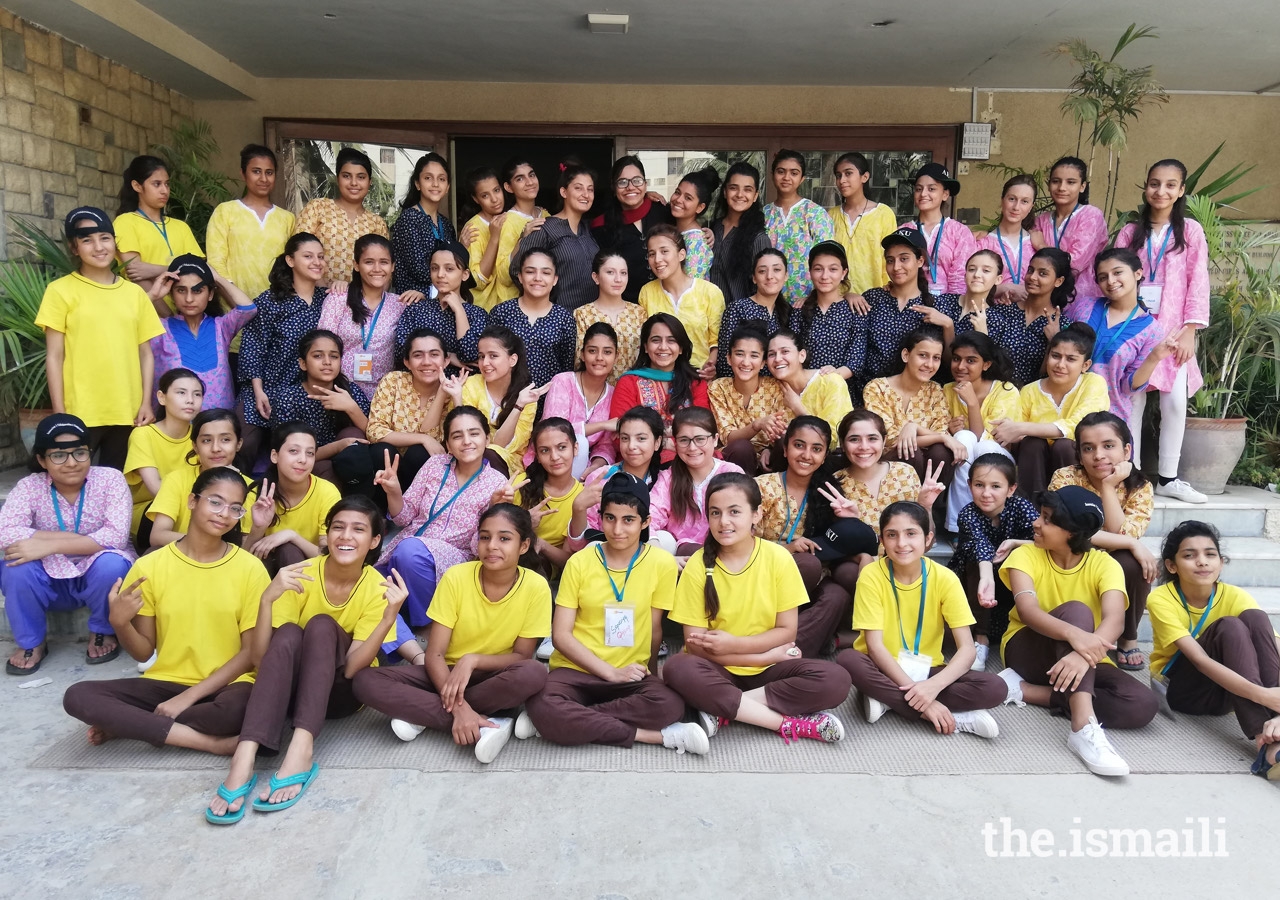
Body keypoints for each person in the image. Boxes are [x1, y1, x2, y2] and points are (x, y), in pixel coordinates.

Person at [205, 497, 407, 820]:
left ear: (374, 540)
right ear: (327, 534)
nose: (346, 536)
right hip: (290, 690)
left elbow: (354, 667)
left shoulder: (376, 587)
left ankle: (301, 749)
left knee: (322, 625)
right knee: (286, 634)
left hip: (338, 695)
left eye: (358, 529)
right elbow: (261, 659)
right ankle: (243, 758)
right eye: (338, 527)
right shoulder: (299, 574)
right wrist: (268, 599)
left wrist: (387, 619)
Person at [62, 467, 270, 756]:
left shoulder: (250, 568)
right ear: (192, 501)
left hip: (228, 686)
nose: (224, 513)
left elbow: (249, 654)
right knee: (78, 696)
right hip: (165, 683)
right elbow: (145, 653)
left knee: (236, 713)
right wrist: (119, 623)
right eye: (215, 501)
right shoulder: (150, 567)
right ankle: (211, 743)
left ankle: (131, 723)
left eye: (235, 508)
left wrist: (187, 698)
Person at [523, 474, 707, 753]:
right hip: (577, 670)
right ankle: (653, 736)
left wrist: (651, 674)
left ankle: (571, 718)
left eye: (628, 520)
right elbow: (560, 636)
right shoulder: (581, 562)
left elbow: (655, 628)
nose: (618, 529)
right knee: (542, 702)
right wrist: (609, 672)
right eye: (610, 518)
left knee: (670, 704)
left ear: (645, 522)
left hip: (629, 675)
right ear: (601, 518)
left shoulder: (661, 564)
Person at [661, 473, 852, 743]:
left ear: (756, 514)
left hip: (769, 668)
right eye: (715, 513)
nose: (724, 521)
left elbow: (787, 632)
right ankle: (786, 723)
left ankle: (725, 710)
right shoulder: (697, 565)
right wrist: (756, 657)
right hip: (719, 667)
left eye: (734, 512)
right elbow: (695, 645)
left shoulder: (778, 558)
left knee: (836, 679)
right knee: (677, 668)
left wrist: (738, 646)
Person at [353, 504, 548, 763]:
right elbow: (434, 654)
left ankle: (424, 713)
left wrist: (473, 660)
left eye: (504, 538)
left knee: (533, 673)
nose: (492, 546)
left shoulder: (536, 587)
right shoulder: (457, 577)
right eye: (484, 537)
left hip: (494, 676)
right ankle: (485, 721)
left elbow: (522, 656)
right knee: (365, 681)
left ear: (523, 546)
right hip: (445, 675)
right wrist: (458, 707)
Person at [998, 486, 1159, 776]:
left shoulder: (1104, 564)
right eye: (1041, 515)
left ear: (1071, 532)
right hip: (1028, 649)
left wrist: (1083, 656)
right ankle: (1083, 727)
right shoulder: (1026, 556)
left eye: (1047, 519)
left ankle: (1026, 691)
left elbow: (1115, 621)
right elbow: (1028, 612)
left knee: (1142, 705)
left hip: (1083, 653)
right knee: (1077, 612)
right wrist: (1077, 638)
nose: (1036, 523)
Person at [838, 501, 1006, 737]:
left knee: (995, 688)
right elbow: (875, 648)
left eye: (911, 533)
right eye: (892, 535)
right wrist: (927, 702)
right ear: (882, 540)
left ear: (928, 538)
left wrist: (932, 687)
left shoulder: (945, 578)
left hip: (926, 668)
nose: (901, 543)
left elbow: (967, 650)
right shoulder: (871, 575)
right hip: (882, 666)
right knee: (848, 660)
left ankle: (888, 701)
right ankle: (947, 714)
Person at [0, 414, 134, 674]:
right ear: (42, 459)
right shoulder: (29, 487)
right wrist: (74, 544)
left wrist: (47, 545)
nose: (71, 463)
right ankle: (32, 642)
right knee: (15, 565)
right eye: (59, 455)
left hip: (96, 575)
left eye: (79, 453)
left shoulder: (110, 480)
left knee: (112, 562)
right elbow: (4, 532)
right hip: (48, 579)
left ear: (89, 453)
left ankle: (103, 631)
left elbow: (116, 536)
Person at [1148, 521, 1280, 774]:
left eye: (1210, 554)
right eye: (1190, 555)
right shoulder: (1161, 598)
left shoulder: (1234, 595)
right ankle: (1265, 742)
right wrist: (1263, 695)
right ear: (1171, 566)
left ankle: (1275, 722)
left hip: (1228, 694)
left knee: (1255, 618)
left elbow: (1273, 648)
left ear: (1221, 562)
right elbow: (1199, 660)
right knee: (1230, 626)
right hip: (1182, 691)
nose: (1202, 561)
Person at [38, 207, 164, 470]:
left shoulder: (135, 294)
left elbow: (146, 353)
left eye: (105, 238)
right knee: (69, 482)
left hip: (127, 412)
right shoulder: (60, 291)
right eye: (87, 240)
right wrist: (60, 412)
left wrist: (145, 403)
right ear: (74, 248)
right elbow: (54, 355)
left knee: (115, 484)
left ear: (114, 243)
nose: (98, 247)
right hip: (80, 410)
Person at [1117, 159, 1212, 504]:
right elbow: (1116, 275)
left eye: (1170, 185)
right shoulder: (1130, 232)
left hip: (1174, 330)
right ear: (1146, 186)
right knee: (1133, 400)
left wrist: (1190, 330)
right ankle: (1134, 474)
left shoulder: (1190, 231)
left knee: (1174, 403)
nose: (1161, 191)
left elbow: (1198, 281)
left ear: (1182, 190)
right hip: (1135, 328)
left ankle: (1169, 478)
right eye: (1155, 184)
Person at [376, 405, 512, 628]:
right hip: (407, 548)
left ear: (487, 439)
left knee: (410, 553)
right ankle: (404, 632)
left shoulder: (497, 483)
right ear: (448, 445)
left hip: (457, 557)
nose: (466, 441)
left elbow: (481, 548)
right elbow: (403, 518)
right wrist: (393, 490)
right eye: (457, 436)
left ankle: (426, 625)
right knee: (369, 590)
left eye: (474, 433)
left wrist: (494, 508)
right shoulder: (434, 465)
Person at [1049, 411, 1157, 671]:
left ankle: (1128, 637)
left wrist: (1108, 487)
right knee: (1132, 551)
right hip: (1072, 555)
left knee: (1134, 564)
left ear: (1127, 450)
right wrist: (1131, 543)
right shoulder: (1066, 478)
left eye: (1108, 446)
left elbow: (1126, 534)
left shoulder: (1139, 486)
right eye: (1089, 448)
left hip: (1110, 561)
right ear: (1079, 454)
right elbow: (1066, 530)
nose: (1098, 455)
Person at [754, 416, 859, 658]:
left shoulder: (830, 492)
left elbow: (841, 543)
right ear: (785, 447)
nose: (806, 455)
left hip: (808, 587)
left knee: (836, 595)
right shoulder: (761, 486)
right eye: (799, 445)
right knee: (806, 563)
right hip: (763, 579)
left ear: (825, 455)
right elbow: (742, 543)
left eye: (817, 449)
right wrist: (788, 548)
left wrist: (849, 520)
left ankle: (787, 653)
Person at [235, 233, 326, 469]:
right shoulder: (270, 301)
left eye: (321, 257)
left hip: (303, 396)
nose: (317, 262)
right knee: (244, 445)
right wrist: (258, 391)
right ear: (290, 260)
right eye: (308, 256)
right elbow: (253, 346)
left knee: (296, 456)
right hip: (264, 388)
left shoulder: (328, 300)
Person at [826, 409, 943, 589]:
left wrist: (925, 506)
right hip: (865, 572)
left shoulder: (904, 473)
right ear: (843, 443)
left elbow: (926, 545)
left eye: (872, 438)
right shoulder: (836, 484)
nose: (864, 446)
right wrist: (862, 554)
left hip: (905, 562)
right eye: (854, 439)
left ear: (884, 440)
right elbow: (832, 544)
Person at [990, 323, 1109, 499]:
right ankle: (1031, 511)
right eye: (1055, 356)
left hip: (1077, 460)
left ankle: (1069, 508)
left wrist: (1023, 428)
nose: (1060, 364)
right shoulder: (1029, 391)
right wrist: (1018, 431)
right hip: (1035, 464)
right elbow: (1011, 433)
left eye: (1070, 359)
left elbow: (1081, 427)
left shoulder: (1093, 383)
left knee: (1064, 445)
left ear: (1085, 365)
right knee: (1032, 443)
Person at [334, 328, 450, 507]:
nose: (427, 362)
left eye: (434, 354)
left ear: (446, 360)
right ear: (407, 362)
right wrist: (422, 438)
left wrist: (442, 393)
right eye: (418, 355)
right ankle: (380, 513)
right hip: (388, 467)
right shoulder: (394, 381)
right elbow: (374, 431)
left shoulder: (454, 390)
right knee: (382, 450)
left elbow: (438, 444)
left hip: (426, 474)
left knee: (420, 453)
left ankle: (415, 511)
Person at [1067, 248, 1174, 441]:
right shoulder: (1084, 306)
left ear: (1138, 273)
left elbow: (1128, 386)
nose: (1110, 281)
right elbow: (1062, 350)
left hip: (1108, 417)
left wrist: (1154, 358)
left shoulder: (1151, 330)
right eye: (1102, 277)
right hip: (1066, 405)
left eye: (1117, 272)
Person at [948, 453, 1037, 669]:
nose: (986, 493)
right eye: (979, 485)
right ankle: (981, 639)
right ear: (969, 485)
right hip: (976, 584)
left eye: (996, 486)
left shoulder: (1022, 508)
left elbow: (1047, 541)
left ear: (1011, 488)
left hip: (1011, 585)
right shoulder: (968, 513)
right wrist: (987, 577)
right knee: (976, 560)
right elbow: (981, 545)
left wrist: (1016, 543)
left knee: (1023, 557)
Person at [147, 255, 257, 411]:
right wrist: (153, 295)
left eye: (197, 290)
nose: (189, 298)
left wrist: (218, 278)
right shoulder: (159, 329)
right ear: (171, 293)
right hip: (175, 429)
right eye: (181, 290)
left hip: (219, 428)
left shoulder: (221, 327)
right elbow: (123, 323)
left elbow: (248, 309)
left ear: (210, 294)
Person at [863, 326, 967, 484]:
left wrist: (914, 429)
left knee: (941, 452)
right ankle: (907, 507)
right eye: (923, 355)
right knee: (911, 452)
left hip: (928, 465)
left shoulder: (935, 391)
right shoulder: (877, 388)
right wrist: (939, 436)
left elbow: (940, 432)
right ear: (906, 355)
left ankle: (933, 505)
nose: (929, 364)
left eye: (936, 358)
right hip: (888, 464)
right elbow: (890, 441)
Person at [267, 329, 371, 482]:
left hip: (348, 463)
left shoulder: (349, 391)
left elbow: (375, 436)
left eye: (334, 356)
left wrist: (351, 407)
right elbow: (287, 453)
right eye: (318, 356)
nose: (327, 362)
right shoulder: (288, 397)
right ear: (303, 363)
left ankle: (359, 502)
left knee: (352, 433)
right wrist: (337, 447)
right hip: (303, 464)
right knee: (326, 468)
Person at [943, 332, 1021, 531]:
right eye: (956, 359)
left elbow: (987, 441)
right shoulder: (946, 390)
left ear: (986, 364)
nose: (961, 366)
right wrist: (948, 430)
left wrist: (971, 403)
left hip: (996, 459)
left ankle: (988, 521)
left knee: (981, 444)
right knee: (962, 437)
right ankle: (959, 527)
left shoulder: (1006, 391)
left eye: (971, 360)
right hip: (962, 460)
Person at [608, 314, 710, 463]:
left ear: (680, 348)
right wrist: (664, 443)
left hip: (692, 457)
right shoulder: (629, 382)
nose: (663, 347)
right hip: (643, 462)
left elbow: (704, 429)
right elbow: (620, 437)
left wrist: (671, 444)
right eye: (656, 340)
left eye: (671, 340)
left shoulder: (695, 383)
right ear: (645, 347)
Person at [859, 229, 956, 385]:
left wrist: (948, 325)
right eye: (890, 260)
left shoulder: (936, 305)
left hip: (918, 396)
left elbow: (948, 363)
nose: (896, 267)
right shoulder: (872, 298)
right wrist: (849, 295)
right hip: (871, 390)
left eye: (904, 259)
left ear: (920, 261)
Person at [147, 408, 255, 548]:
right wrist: (207, 544)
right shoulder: (176, 479)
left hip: (225, 563)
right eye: (206, 440)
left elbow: (245, 546)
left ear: (238, 444)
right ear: (195, 446)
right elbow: (158, 536)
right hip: (181, 556)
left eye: (226, 439)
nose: (216, 448)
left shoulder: (250, 488)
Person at [565, 406, 665, 553]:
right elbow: (578, 546)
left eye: (641, 438)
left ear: (657, 442)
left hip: (649, 555)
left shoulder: (665, 479)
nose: (631, 446)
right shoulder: (602, 477)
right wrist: (578, 508)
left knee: (666, 538)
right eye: (625, 438)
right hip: (608, 555)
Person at [648, 407, 744, 558]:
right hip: (685, 556)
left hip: (728, 550)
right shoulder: (669, 478)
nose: (692, 448)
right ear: (675, 443)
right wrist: (664, 558)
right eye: (684, 440)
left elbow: (744, 518)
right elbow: (649, 516)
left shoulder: (731, 473)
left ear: (715, 439)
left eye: (700, 439)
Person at [446, 325, 541, 475]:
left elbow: (505, 446)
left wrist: (519, 406)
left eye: (493, 356)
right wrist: (457, 399)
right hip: (468, 457)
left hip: (507, 463)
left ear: (512, 360)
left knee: (490, 454)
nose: (484, 363)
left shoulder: (526, 395)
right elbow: (460, 434)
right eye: (482, 356)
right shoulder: (471, 385)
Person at [246, 423, 342, 573]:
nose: (303, 459)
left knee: (288, 550)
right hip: (265, 574)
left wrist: (291, 536)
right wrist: (258, 529)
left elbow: (330, 557)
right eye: (293, 451)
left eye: (310, 453)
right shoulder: (258, 494)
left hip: (312, 575)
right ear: (274, 456)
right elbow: (242, 559)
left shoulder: (327, 492)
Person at [316, 233, 410, 387]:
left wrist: (420, 297)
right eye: (369, 262)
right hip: (342, 389)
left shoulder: (400, 304)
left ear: (393, 266)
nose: (377, 269)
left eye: (384, 262)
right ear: (356, 265)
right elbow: (322, 345)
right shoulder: (339, 298)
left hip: (385, 394)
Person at [205, 144, 295, 301]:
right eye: (256, 172)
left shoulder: (287, 218)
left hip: (278, 308)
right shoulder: (225, 212)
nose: (263, 179)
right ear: (243, 174)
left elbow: (294, 264)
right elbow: (215, 263)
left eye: (269, 172)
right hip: (235, 308)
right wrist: (239, 305)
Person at [124, 368, 203, 544]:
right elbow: (156, 489)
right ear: (161, 397)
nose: (190, 400)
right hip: (151, 510)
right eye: (181, 393)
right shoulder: (143, 435)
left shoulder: (201, 438)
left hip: (193, 509)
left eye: (197, 394)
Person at [638, 224, 726, 378]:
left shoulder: (710, 292)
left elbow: (717, 341)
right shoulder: (647, 292)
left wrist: (711, 365)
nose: (657, 259)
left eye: (664, 251)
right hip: (659, 377)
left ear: (681, 254)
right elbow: (645, 338)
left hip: (698, 377)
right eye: (652, 254)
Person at [532, 323, 618, 477]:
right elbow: (553, 430)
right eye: (592, 351)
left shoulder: (613, 394)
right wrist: (602, 425)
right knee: (581, 443)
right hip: (548, 461)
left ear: (616, 357)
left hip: (585, 469)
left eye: (607, 352)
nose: (599, 358)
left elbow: (606, 445)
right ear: (582, 354)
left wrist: (595, 467)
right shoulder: (563, 381)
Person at [295, 147, 389, 285]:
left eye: (361, 177)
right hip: (316, 297)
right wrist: (324, 293)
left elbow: (383, 269)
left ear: (370, 182)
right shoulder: (317, 208)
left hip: (361, 302)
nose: (354, 183)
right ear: (337, 179)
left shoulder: (377, 223)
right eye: (346, 176)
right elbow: (298, 253)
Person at [113, 155, 204, 295]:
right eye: (157, 184)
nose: (165, 190)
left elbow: (199, 270)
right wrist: (169, 316)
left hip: (189, 309)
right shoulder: (125, 222)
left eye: (167, 184)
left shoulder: (181, 227)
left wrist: (158, 270)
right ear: (137, 186)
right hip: (149, 310)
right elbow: (137, 275)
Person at [987, 247, 1075, 388]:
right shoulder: (1003, 311)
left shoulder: (1063, 325)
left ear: (1058, 281)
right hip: (996, 398)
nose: (1032, 277)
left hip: (1033, 401)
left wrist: (1054, 341)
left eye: (1043, 273)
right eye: (1030, 270)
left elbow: (1051, 377)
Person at [489, 249, 578, 387]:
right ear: (520, 276)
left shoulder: (564, 319)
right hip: (506, 397)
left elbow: (566, 369)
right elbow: (489, 356)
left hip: (550, 399)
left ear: (555, 279)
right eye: (530, 271)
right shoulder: (501, 313)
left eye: (546, 273)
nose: (538, 278)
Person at [591, 156, 674, 302]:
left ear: (645, 184)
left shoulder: (663, 212)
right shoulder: (602, 226)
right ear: (613, 187)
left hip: (667, 301)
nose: (630, 187)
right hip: (625, 308)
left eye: (637, 180)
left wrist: (708, 232)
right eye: (622, 182)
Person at [393, 242, 487, 370]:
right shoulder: (417, 309)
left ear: (465, 275)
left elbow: (470, 355)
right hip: (422, 385)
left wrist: (459, 310)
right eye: (434, 268)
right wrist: (447, 356)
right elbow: (401, 351)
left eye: (449, 269)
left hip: (461, 386)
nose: (440, 274)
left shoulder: (477, 314)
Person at [711, 324, 788, 476]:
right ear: (728, 358)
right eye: (739, 354)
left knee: (785, 442)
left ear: (763, 362)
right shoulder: (718, 388)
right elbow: (728, 438)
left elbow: (782, 430)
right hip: (737, 458)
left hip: (772, 461)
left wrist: (769, 449)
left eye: (754, 356)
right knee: (741, 448)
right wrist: (757, 425)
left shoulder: (775, 387)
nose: (746, 362)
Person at [792, 242, 867, 395]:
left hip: (843, 392)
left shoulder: (855, 309)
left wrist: (832, 378)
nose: (825, 276)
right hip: (806, 390)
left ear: (843, 272)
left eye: (833, 269)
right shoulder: (800, 310)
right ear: (810, 272)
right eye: (818, 269)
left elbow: (857, 358)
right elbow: (792, 352)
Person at [763, 150, 835, 303]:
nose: (786, 177)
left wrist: (813, 297)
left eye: (794, 173)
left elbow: (827, 259)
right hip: (769, 300)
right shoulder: (763, 215)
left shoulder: (815, 213)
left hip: (807, 301)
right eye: (781, 171)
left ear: (802, 179)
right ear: (772, 175)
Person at [517, 418, 586, 577]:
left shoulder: (581, 498)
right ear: (538, 457)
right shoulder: (522, 484)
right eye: (545, 450)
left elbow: (570, 561)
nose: (554, 457)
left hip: (543, 569)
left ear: (575, 449)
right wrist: (524, 522)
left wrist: (540, 544)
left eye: (561, 447)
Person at [766, 329, 854, 451]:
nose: (777, 359)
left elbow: (834, 440)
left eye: (785, 351)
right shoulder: (772, 387)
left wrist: (797, 407)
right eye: (771, 354)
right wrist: (768, 450)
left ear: (802, 355)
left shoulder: (830, 382)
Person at [1033, 157, 1108, 299]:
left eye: (1071, 182)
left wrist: (1041, 246)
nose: (1062, 187)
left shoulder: (1091, 216)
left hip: (1081, 298)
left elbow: (1074, 263)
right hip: (1043, 298)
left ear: (1082, 186)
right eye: (1056, 181)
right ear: (1049, 185)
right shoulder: (1041, 220)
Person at [897, 163, 976, 294]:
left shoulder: (959, 232)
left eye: (931, 189)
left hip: (948, 305)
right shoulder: (904, 231)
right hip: (910, 302)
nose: (923, 194)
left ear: (945, 194)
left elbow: (961, 276)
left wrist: (952, 308)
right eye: (918, 189)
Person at [715, 248, 791, 380]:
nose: (769, 276)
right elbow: (725, 361)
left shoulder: (790, 312)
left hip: (780, 390)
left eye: (777, 270)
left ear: (786, 276)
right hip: (743, 389)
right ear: (754, 278)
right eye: (762, 271)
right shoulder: (738, 309)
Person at [827, 152, 898, 294]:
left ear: (864, 177)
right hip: (837, 298)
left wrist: (889, 289)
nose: (842, 180)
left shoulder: (883, 214)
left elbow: (891, 255)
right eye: (838, 175)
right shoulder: (831, 215)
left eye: (848, 173)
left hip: (875, 296)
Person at [390, 152, 456, 296]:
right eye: (428, 178)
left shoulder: (446, 224)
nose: (435, 184)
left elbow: (456, 264)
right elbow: (419, 269)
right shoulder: (409, 218)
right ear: (418, 184)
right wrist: (450, 272)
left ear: (448, 187)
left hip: (441, 301)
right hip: (414, 301)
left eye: (442, 179)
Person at [574, 251, 645, 383]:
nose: (618, 279)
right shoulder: (582, 314)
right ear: (596, 277)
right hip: (594, 392)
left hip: (633, 392)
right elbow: (577, 362)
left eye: (623, 273)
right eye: (610, 272)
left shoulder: (639, 313)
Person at [708, 161, 773, 305]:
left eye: (747, 189)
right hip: (708, 318)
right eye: (733, 188)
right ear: (725, 192)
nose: (740, 194)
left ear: (755, 195)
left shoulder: (758, 238)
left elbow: (765, 289)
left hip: (742, 322)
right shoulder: (713, 228)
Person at [489, 157, 550, 304]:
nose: (529, 182)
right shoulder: (507, 221)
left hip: (543, 301)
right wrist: (522, 239)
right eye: (520, 179)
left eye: (531, 175)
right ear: (509, 187)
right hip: (514, 305)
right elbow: (504, 276)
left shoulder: (546, 215)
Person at [976, 174, 1042, 303]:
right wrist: (1004, 288)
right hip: (991, 316)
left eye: (1024, 201)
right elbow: (970, 285)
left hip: (1030, 314)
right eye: (1012, 199)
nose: (1016, 207)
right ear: (1002, 200)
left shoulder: (1035, 244)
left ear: (1031, 207)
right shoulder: (982, 243)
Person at [458, 166, 509, 311]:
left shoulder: (511, 219)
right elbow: (477, 281)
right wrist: (494, 238)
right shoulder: (473, 228)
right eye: (485, 195)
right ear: (476, 199)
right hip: (483, 309)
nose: (494, 199)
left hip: (508, 306)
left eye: (496, 190)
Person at [669, 167, 721, 279]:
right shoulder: (674, 230)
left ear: (700, 207)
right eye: (677, 192)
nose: (678, 199)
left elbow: (691, 289)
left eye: (688, 198)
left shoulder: (697, 243)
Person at [950, 249, 1004, 338]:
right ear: (965, 275)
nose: (977, 274)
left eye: (986, 271)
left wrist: (983, 334)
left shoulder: (996, 321)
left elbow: (990, 352)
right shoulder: (943, 302)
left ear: (998, 279)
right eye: (971, 269)